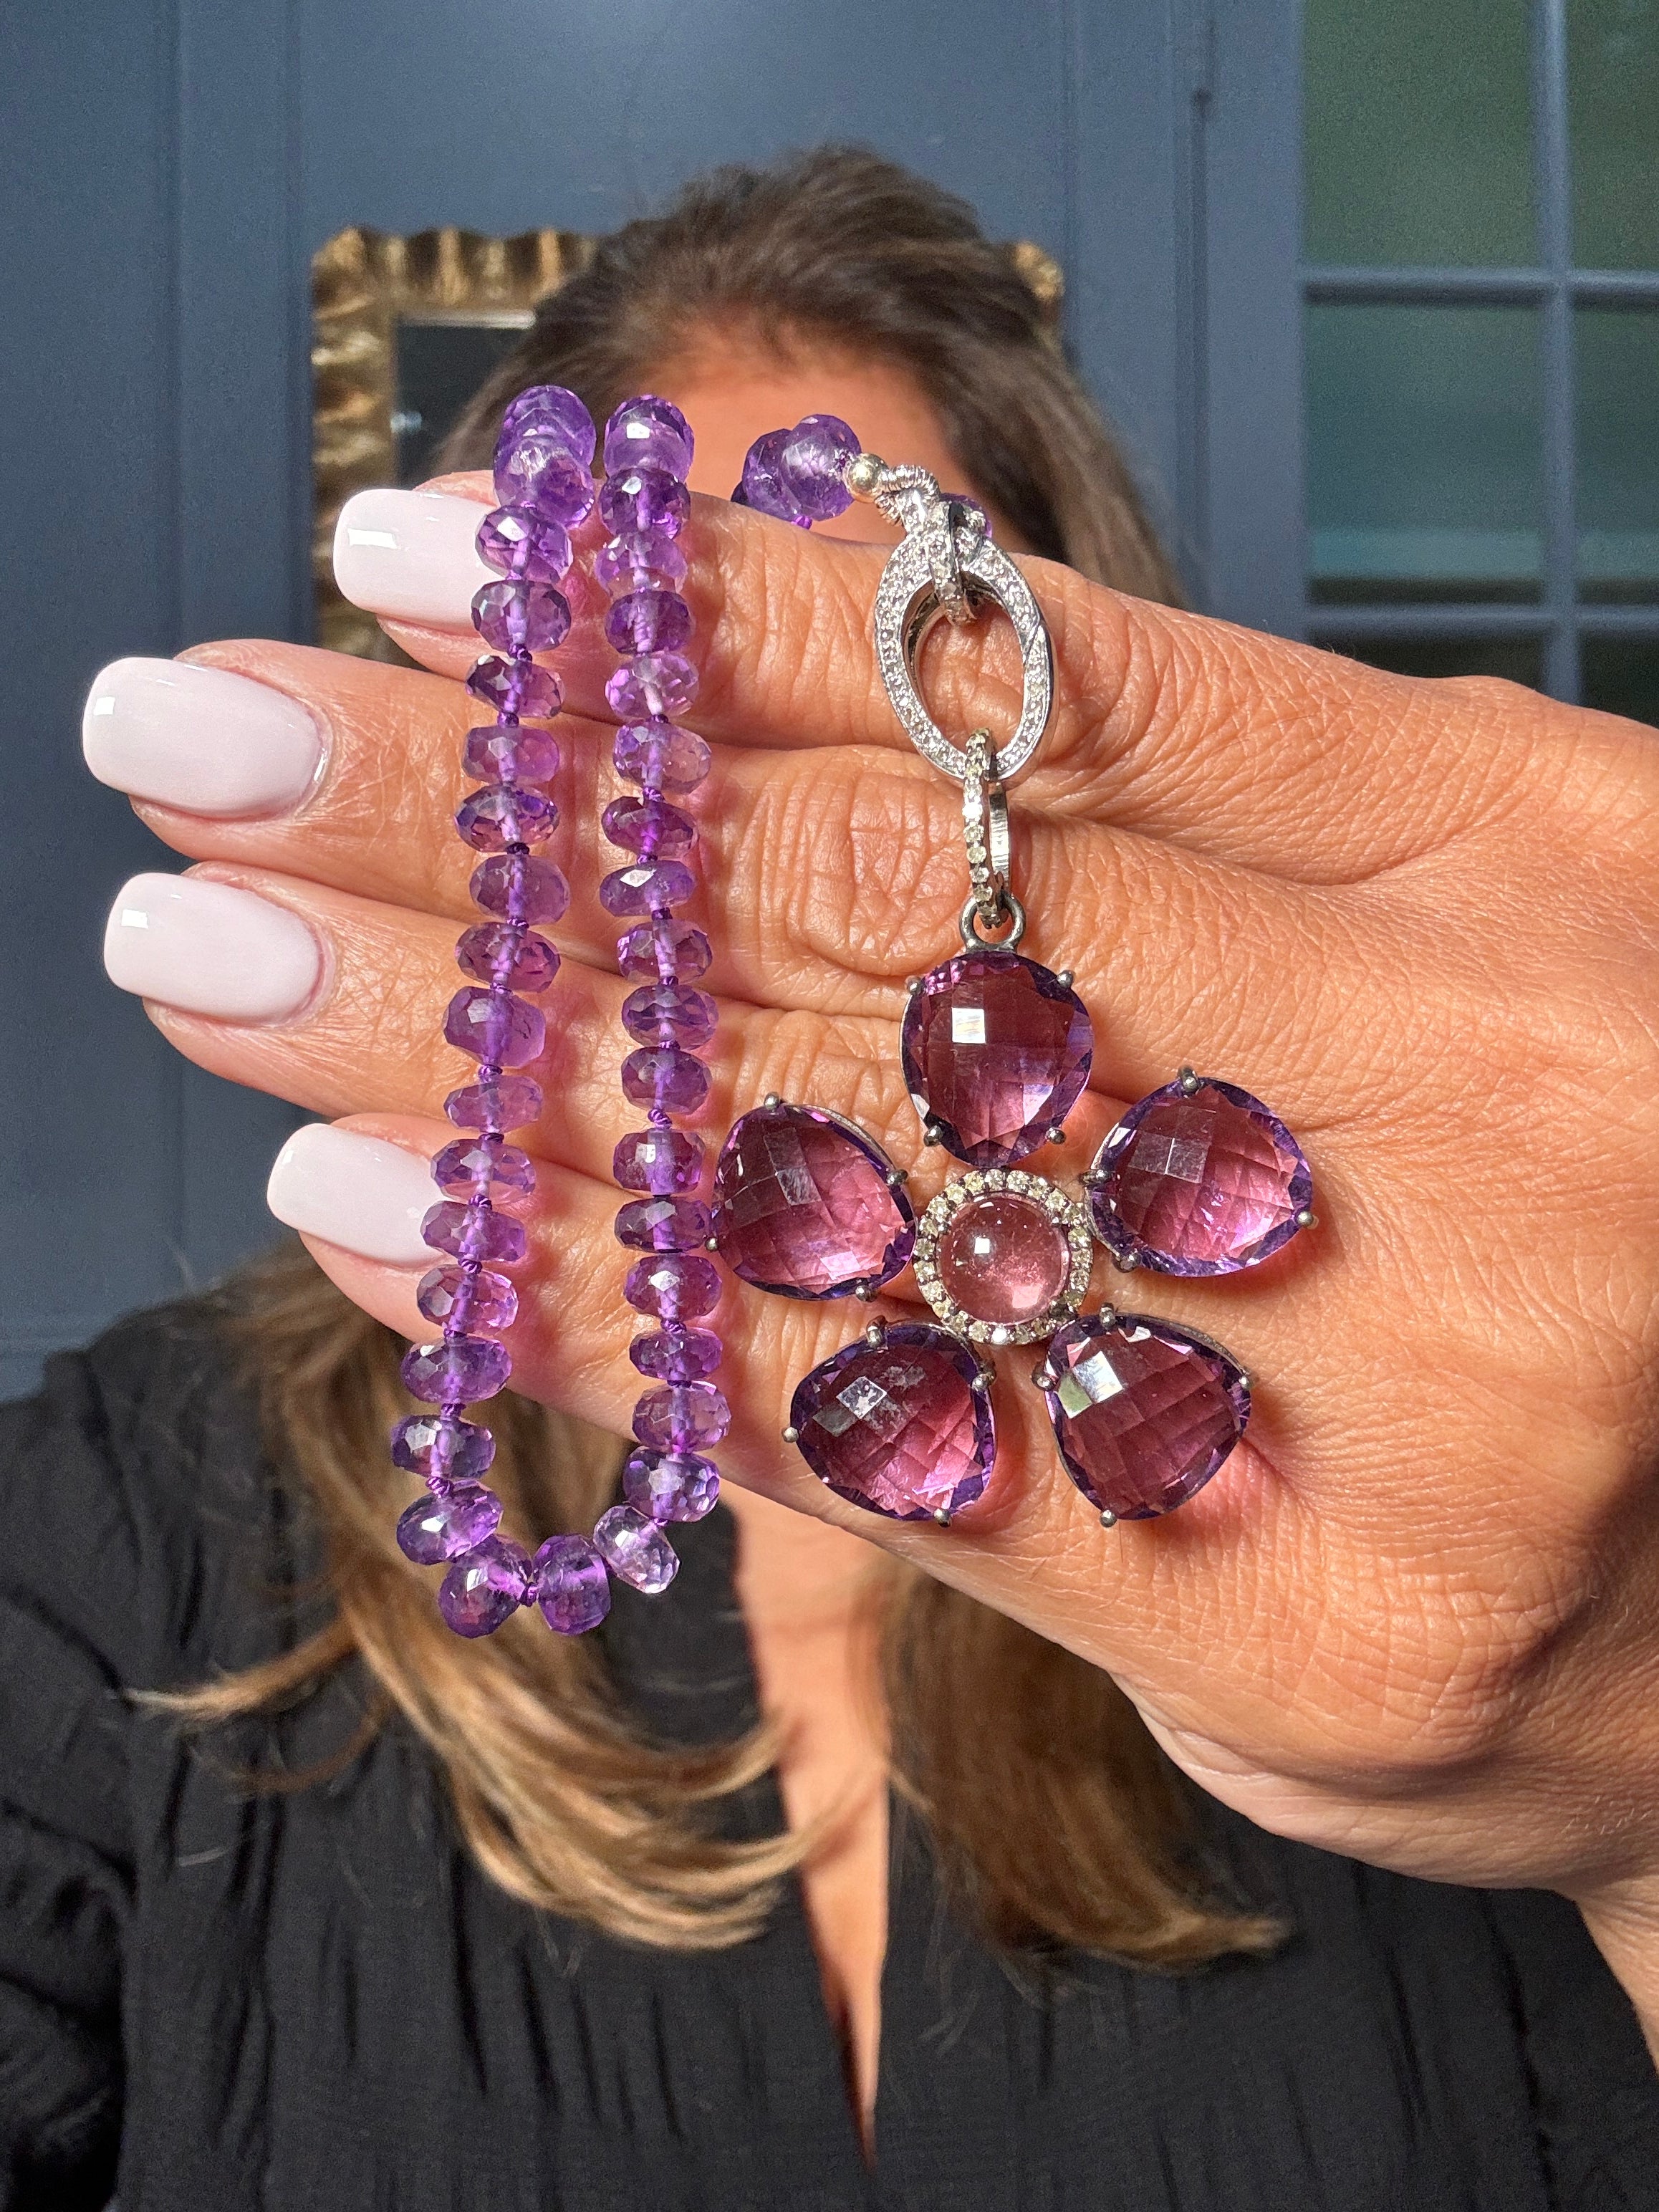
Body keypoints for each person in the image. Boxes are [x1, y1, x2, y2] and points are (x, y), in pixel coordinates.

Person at [9, 145, 1659, 2208]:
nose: (710, 802)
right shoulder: (121, 1522)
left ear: (1051, 708)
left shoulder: (1439, 1510)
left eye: (863, 656)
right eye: (621, 681)